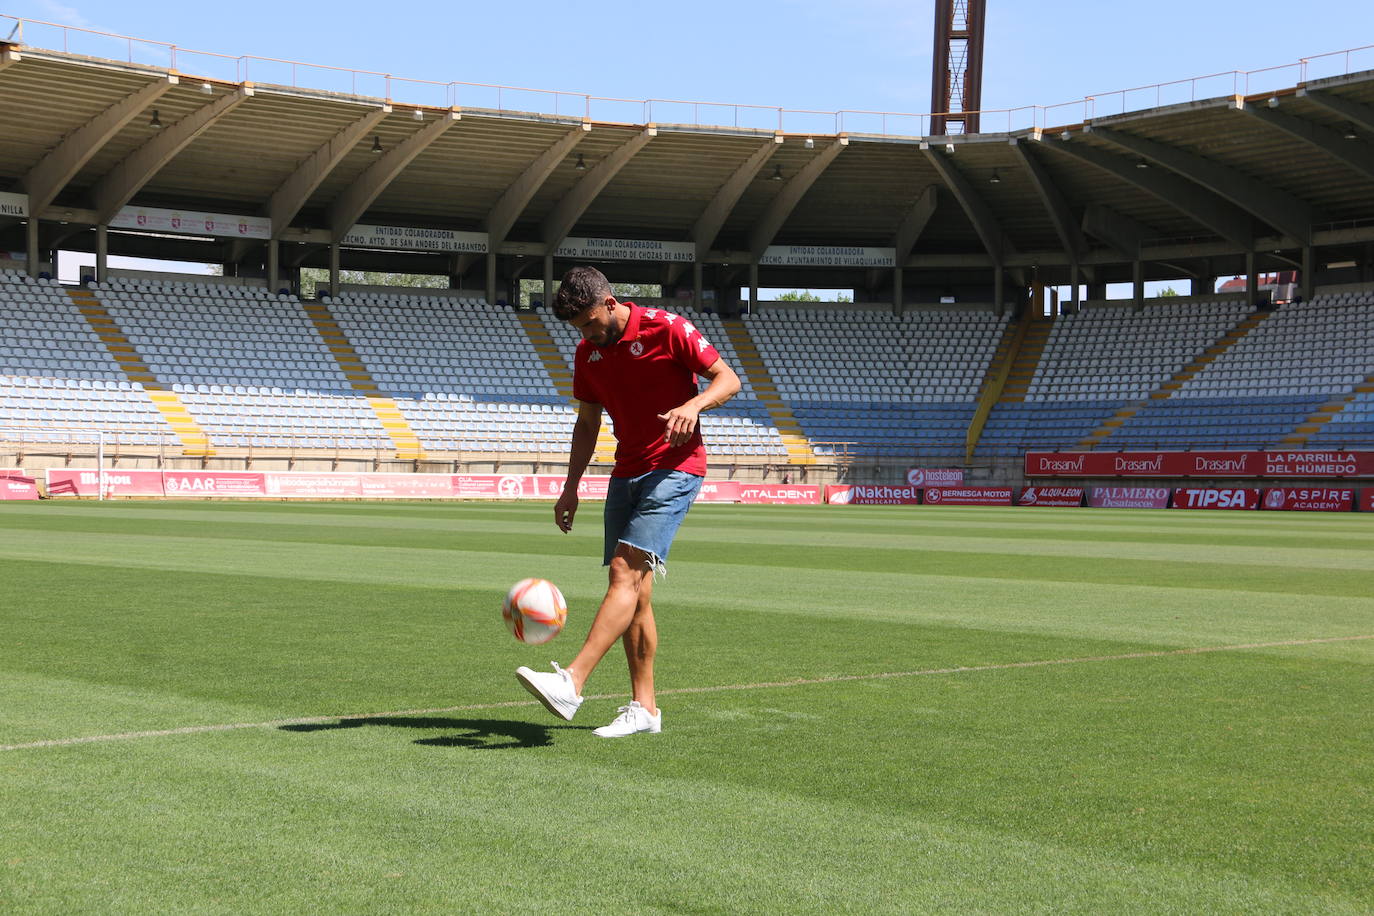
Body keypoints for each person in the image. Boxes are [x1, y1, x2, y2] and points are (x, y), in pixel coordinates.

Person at [516, 266, 740, 738]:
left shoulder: (668, 328)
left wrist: (692, 406)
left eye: (591, 323)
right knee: (637, 596)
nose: (588, 335)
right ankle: (645, 710)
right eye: (579, 329)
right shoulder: (588, 353)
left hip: (676, 469)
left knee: (624, 572)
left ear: (611, 303)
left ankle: (571, 683)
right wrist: (570, 486)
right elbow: (586, 424)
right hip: (625, 472)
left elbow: (727, 379)